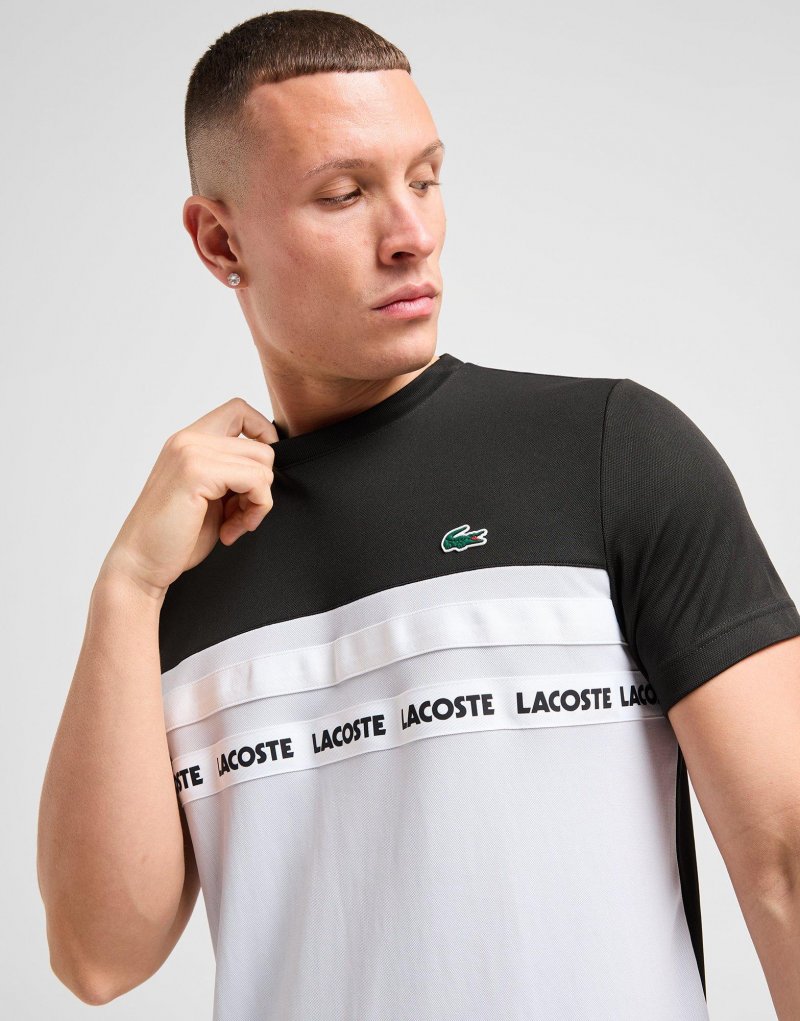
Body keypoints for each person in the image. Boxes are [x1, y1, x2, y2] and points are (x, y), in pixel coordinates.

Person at [37, 10, 800, 1020]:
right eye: (344, 194)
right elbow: (97, 957)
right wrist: (128, 588)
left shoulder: (608, 452)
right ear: (221, 241)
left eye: (426, 179)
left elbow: (786, 857)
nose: (411, 236)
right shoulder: (188, 562)